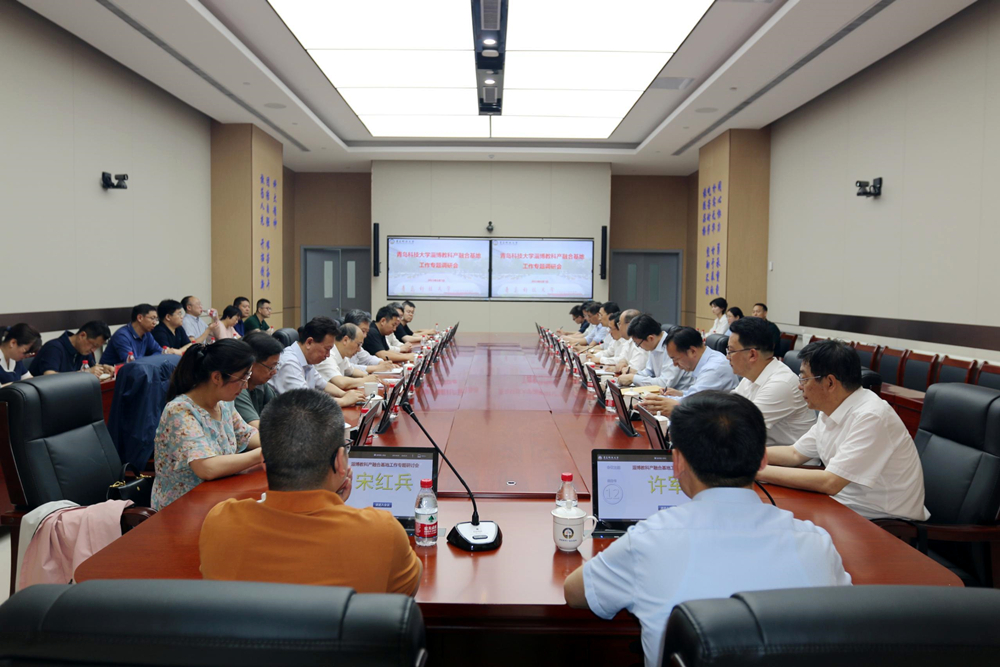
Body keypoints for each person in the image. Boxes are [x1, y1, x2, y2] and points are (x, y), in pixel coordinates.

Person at [564, 391, 851, 667]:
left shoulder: (648, 540)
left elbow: (575, 593)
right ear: (763, 460)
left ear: (677, 461)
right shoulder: (816, 544)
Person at [199, 388, 422, 594]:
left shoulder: (220, 522)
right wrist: (336, 506)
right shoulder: (382, 532)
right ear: (340, 461)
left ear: (264, 461)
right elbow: (408, 593)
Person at [757, 340, 929, 521]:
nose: (800, 386)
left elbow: (830, 482)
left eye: (804, 379)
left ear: (830, 382)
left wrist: (753, 471)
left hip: (882, 520)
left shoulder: (871, 416)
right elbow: (794, 454)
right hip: (841, 504)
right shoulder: (831, 408)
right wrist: (747, 455)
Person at [151, 340, 263, 511]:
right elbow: (206, 468)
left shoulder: (223, 403)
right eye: (242, 378)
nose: (246, 385)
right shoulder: (180, 411)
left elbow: (247, 435)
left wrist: (280, 443)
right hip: (183, 507)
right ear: (217, 377)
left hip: (218, 494)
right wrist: (263, 453)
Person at [727, 317, 815, 446]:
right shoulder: (752, 375)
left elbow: (739, 427)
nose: (727, 357)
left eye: (731, 351)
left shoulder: (781, 384)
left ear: (752, 355)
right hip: (764, 451)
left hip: (790, 457)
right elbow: (728, 408)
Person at [640, 327, 738, 416]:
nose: (675, 364)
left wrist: (657, 401)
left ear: (692, 351)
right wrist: (681, 393)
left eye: (676, 359)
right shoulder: (706, 359)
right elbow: (697, 394)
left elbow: (693, 404)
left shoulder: (714, 369)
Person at [269, 317, 364, 408]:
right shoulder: (289, 363)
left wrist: (345, 394)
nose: (328, 355)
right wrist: (344, 401)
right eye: (327, 349)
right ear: (309, 342)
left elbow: (323, 384)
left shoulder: (306, 359)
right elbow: (306, 402)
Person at [619, 314, 690, 391]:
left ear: (650, 338)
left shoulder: (672, 347)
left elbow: (665, 383)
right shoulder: (654, 345)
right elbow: (649, 373)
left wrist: (633, 378)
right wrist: (634, 373)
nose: (639, 347)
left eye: (638, 344)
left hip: (679, 394)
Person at [234, 332, 283, 429]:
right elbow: (255, 426)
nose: (274, 372)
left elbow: (282, 414)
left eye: (276, 366)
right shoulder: (236, 388)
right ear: (251, 363)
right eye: (271, 367)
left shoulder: (261, 384)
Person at [32, 321, 112, 377]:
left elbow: (91, 367)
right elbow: (49, 377)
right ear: (82, 335)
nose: (93, 350)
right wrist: (85, 373)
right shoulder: (53, 348)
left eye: (97, 348)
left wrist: (103, 368)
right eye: (93, 345)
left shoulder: (84, 350)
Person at [316, 323, 375, 389]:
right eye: (358, 345)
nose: (359, 350)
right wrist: (365, 380)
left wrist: (367, 376)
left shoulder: (341, 354)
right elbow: (341, 383)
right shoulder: (328, 356)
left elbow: (352, 370)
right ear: (345, 340)